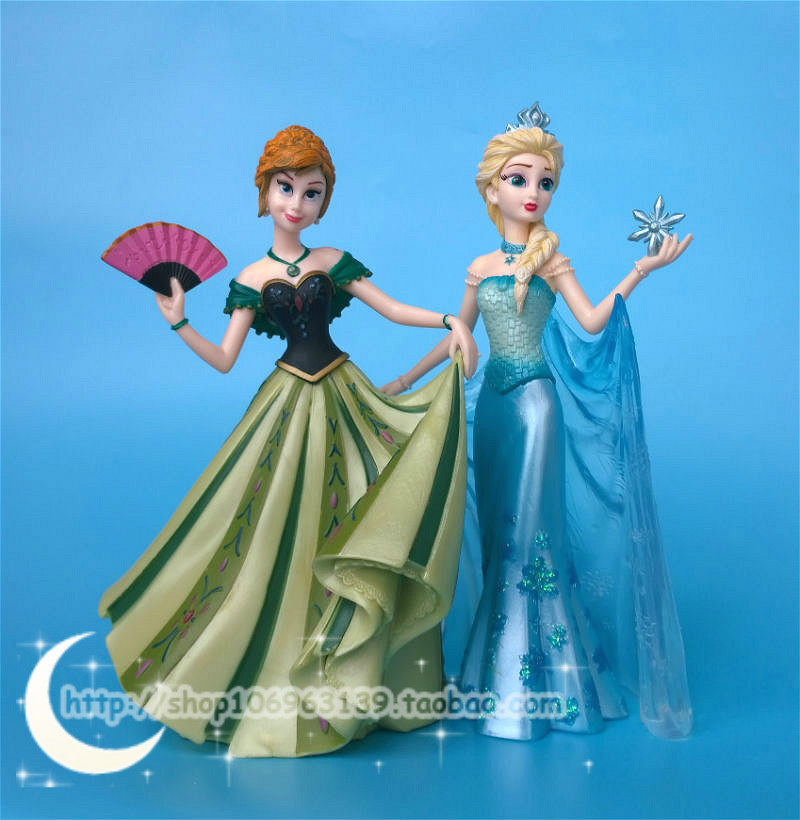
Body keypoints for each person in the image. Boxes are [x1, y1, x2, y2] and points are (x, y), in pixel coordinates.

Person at [98, 125, 478, 757]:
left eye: (311, 191)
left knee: (361, 500)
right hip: (286, 404)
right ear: (265, 192)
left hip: (343, 392)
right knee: (270, 522)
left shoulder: (331, 260)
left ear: (323, 200)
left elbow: (391, 309)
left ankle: (357, 667)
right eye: (285, 188)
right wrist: (180, 322)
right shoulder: (251, 276)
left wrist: (449, 321)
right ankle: (271, 662)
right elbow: (225, 359)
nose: (296, 203)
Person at [384, 107, 693, 740]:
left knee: (530, 540)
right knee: (497, 536)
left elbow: (592, 321)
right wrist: (407, 379)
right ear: (492, 188)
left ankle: (543, 688)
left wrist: (640, 271)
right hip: (495, 410)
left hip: (535, 409)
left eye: (545, 182)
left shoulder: (552, 261)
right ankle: (493, 675)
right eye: (520, 179)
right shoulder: (479, 266)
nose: (534, 192)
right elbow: (459, 336)